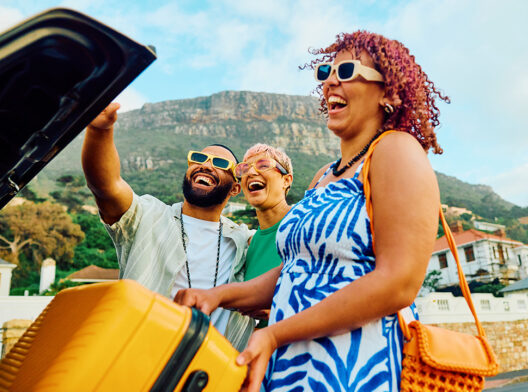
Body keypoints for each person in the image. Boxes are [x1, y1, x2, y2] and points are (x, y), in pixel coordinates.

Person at [175, 30, 445, 391]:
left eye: (347, 70)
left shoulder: (396, 151)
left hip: (357, 365)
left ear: (389, 92)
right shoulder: (323, 177)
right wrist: (219, 296)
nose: (330, 80)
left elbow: (399, 284)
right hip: (294, 365)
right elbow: (295, 271)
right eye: (326, 72)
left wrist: (274, 335)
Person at [82, 103, 255, 350]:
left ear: (235, 188)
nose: (205, 165)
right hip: (137, 359)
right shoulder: (148, 215)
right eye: (197, 158)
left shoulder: (244, 240)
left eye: (218, 162)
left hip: (212, 375)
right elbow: (106, 186)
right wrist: (100, 130)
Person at [235, 144, 294, 327]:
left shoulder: (306, 225)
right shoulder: (248, 244)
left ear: (286, 180)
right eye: (244, 168)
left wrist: (280, 311)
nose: (251, 173)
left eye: (263, 165)